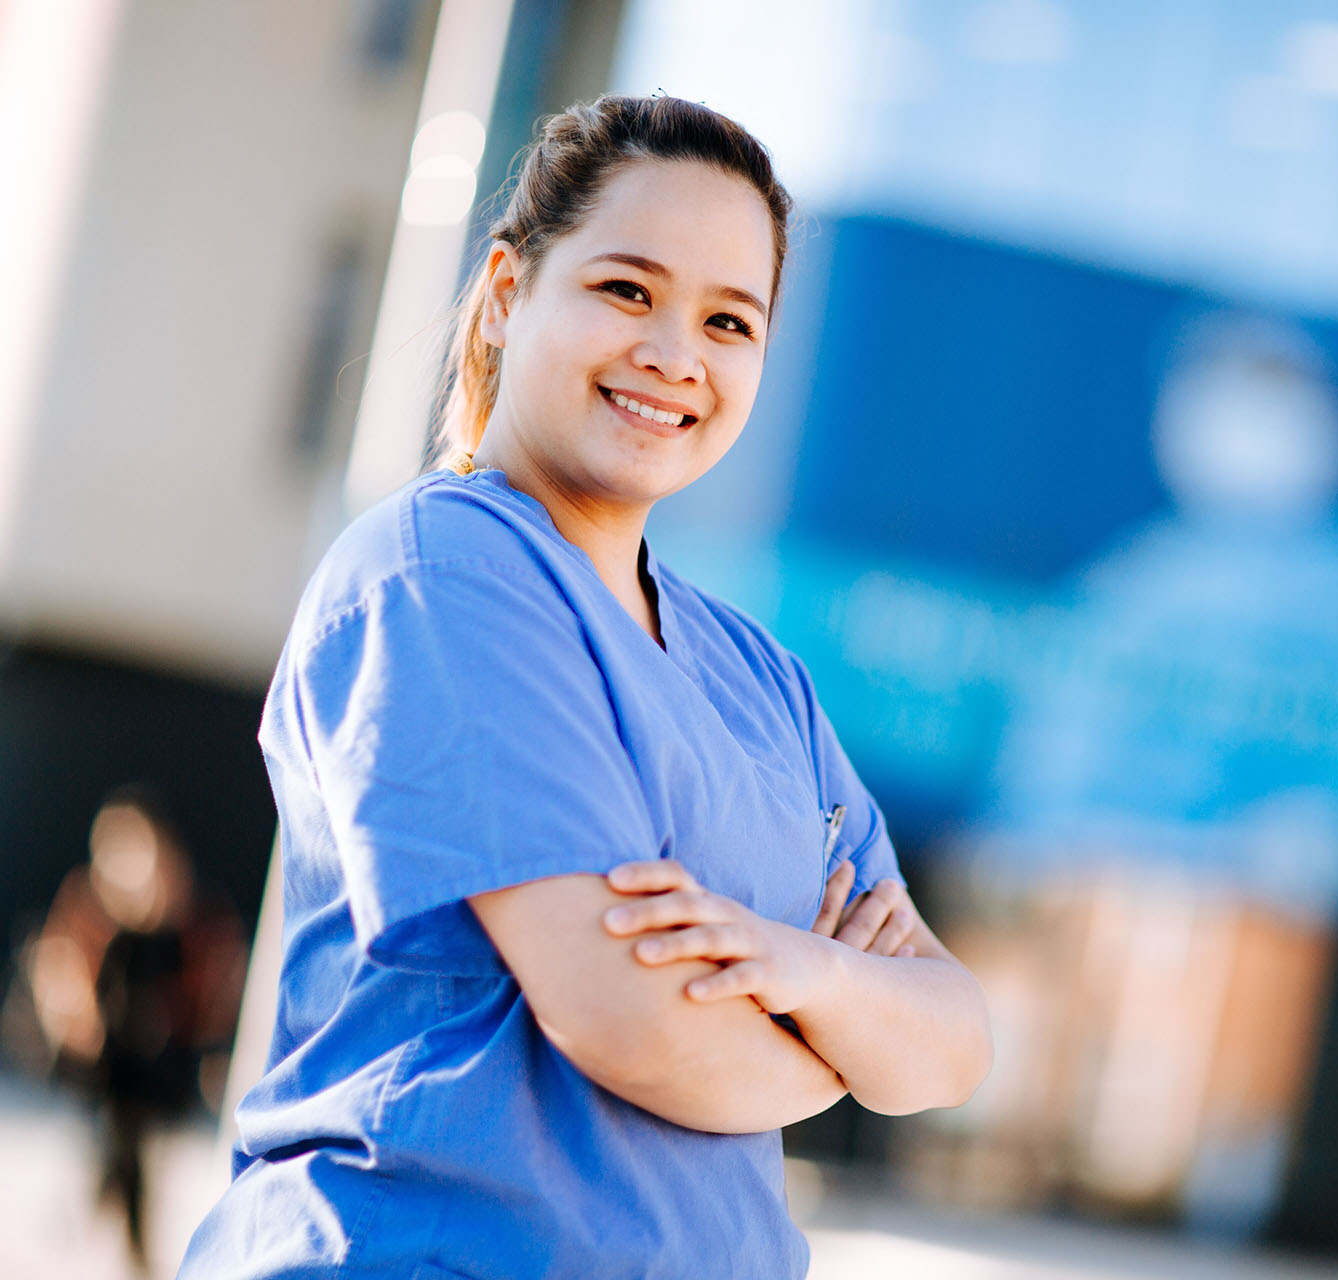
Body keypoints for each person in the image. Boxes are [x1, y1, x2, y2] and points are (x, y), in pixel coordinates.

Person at [178, 94, 992, 1279]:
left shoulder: (763, 682)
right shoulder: (444, 576)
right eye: (627, 290)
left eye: (728, 320)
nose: (675, 354)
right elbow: (627, 1018)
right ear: (509, 293)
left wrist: (802, 968)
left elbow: (952, 1045)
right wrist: (838, 1039)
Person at [25, 787, 245, 1273]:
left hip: (157, 1066)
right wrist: (75, 1018)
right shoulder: (89, 908)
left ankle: (118, 1219)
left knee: (129, 1141)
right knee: (118, 1138)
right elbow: (62, 969)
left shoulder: (187, 917)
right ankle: (119, 1224)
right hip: (108, 1063)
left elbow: (212, 987)